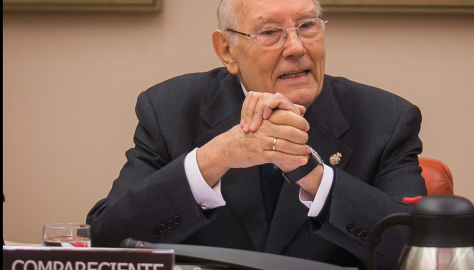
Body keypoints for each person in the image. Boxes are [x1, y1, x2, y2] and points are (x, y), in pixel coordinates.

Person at [86, 0, 427, 269]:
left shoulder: (386, 119)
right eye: (270, 32)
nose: (295, 47)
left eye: (307, 26)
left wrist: (312, 175)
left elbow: (417, 255)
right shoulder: (170, 110)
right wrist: (213, 159)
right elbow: (108, 239)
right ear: (227, 51)